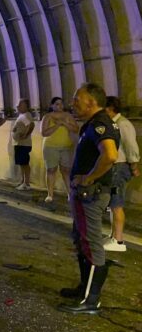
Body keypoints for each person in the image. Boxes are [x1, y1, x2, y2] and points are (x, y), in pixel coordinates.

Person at [59, 83, 119, 314]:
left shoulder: (101, 124)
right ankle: (84, 289)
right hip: (85, 195)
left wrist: (88, 178)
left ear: (92, 102)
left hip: (91, 195)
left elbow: (110, 155)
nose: (73, 103)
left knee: (92, 245)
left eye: (77, 99)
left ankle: (91, 301)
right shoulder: (93, 124)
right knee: (82, 240)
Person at [104, 96, 139, 252]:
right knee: (113, 204)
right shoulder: (114, 123)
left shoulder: (122, 124)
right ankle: (113, 236)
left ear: (110, 108)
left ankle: (118, 240)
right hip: (115, 167)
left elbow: (131, 146)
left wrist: (134, 165)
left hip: (120, 167)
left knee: (117, 204)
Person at [40, 96, 78, 202]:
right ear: (52, 106)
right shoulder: (47, 117)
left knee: (66, 170)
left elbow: (75, 129)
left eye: (61, 104)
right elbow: (44, 133)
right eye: (56, 104)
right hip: (51, 147)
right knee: (51, 169)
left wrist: (65, 123)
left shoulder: (68, 116)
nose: (59, 106)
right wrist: (57, 125)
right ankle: (50, 194)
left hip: (66, 146)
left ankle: (70, 193)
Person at [11, 99, 35, 190]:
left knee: (25, 163)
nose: (17, 107)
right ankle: (22, 181)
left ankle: (27, 183)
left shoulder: (26, 115)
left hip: (24, 144)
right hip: (19, 143)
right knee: (21, 163)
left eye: (20, 105)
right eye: (17, 105)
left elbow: (31, 125)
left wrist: (25, 135)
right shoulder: (21, 115)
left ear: (25, 106)